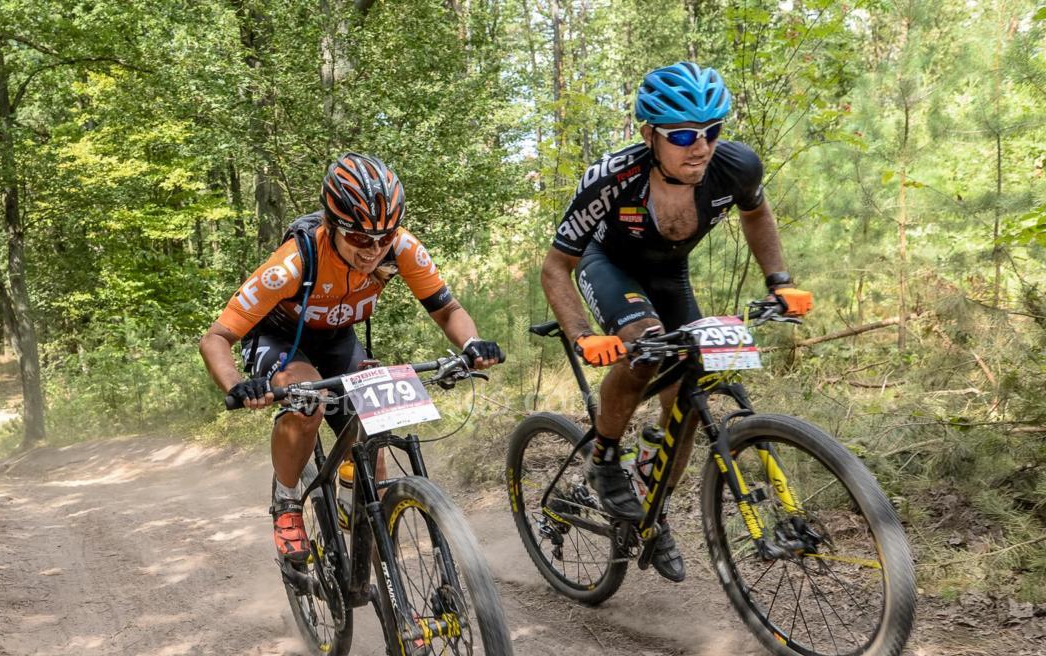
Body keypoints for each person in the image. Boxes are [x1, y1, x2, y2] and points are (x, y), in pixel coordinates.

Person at [539, 61, 813, 582]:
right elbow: (555, 267)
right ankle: (604, 459)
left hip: (670, 275)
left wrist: (779, 281)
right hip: (609, 265)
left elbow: (756, 213)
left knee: (688, 395)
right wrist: (583, 335)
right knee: (644, 350)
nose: (700, 146)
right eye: (683, 135)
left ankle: (653, 507)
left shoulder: (736, 167)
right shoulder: (611, 179)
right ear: (650, 135)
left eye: (712, 131)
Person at [200, 153, 503, 562]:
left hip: (338, 337)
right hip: (280, 339)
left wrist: (472, 344)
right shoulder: (293, 263)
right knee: (309, 401)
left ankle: (372, 558)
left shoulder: (401, 248)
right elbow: (216, 338)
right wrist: (237, 384)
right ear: (331, 225)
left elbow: (447, 310)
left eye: (384, 237)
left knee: (373, 434)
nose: (373, 251)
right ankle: (287, 503)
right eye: (359, 239)